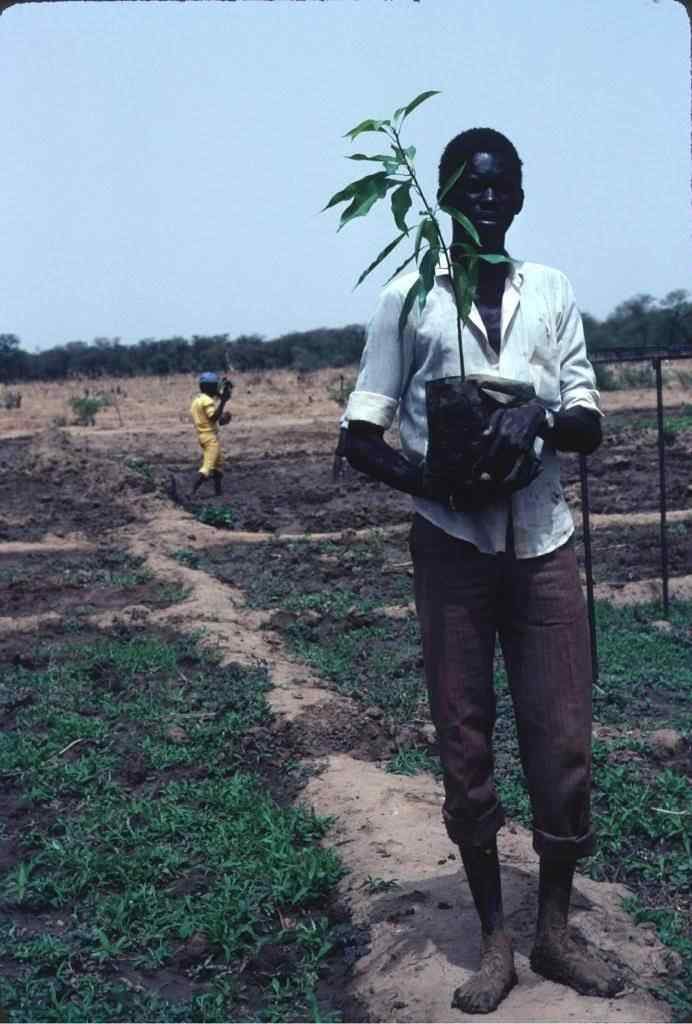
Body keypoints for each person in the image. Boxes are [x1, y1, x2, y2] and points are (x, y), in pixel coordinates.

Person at [340, 128, 623, 1014]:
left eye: (503, 186)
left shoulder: (553, 292)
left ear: (522, 195)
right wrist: (438, 481)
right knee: (464, 744)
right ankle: (495, 941)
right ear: (442, 191)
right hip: (451, 548)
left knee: (564, 742)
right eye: (470, 184)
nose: (488, 199)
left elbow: (588, 420)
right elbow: (359, 438)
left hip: (544, 542)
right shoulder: (409, 296)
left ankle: (555, 929)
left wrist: (537, 412)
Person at [188, 371, 232, 499]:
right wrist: (223, 402)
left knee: (218, 465)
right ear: (210, 387)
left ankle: (218, 492)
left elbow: (213, 412)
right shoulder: (207, 401)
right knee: (207, 467)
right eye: (215, 386)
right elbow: (213, 417)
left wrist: (224, 395)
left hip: (203, 436)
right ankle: (190, 492)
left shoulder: (198, 399)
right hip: (210, 437)